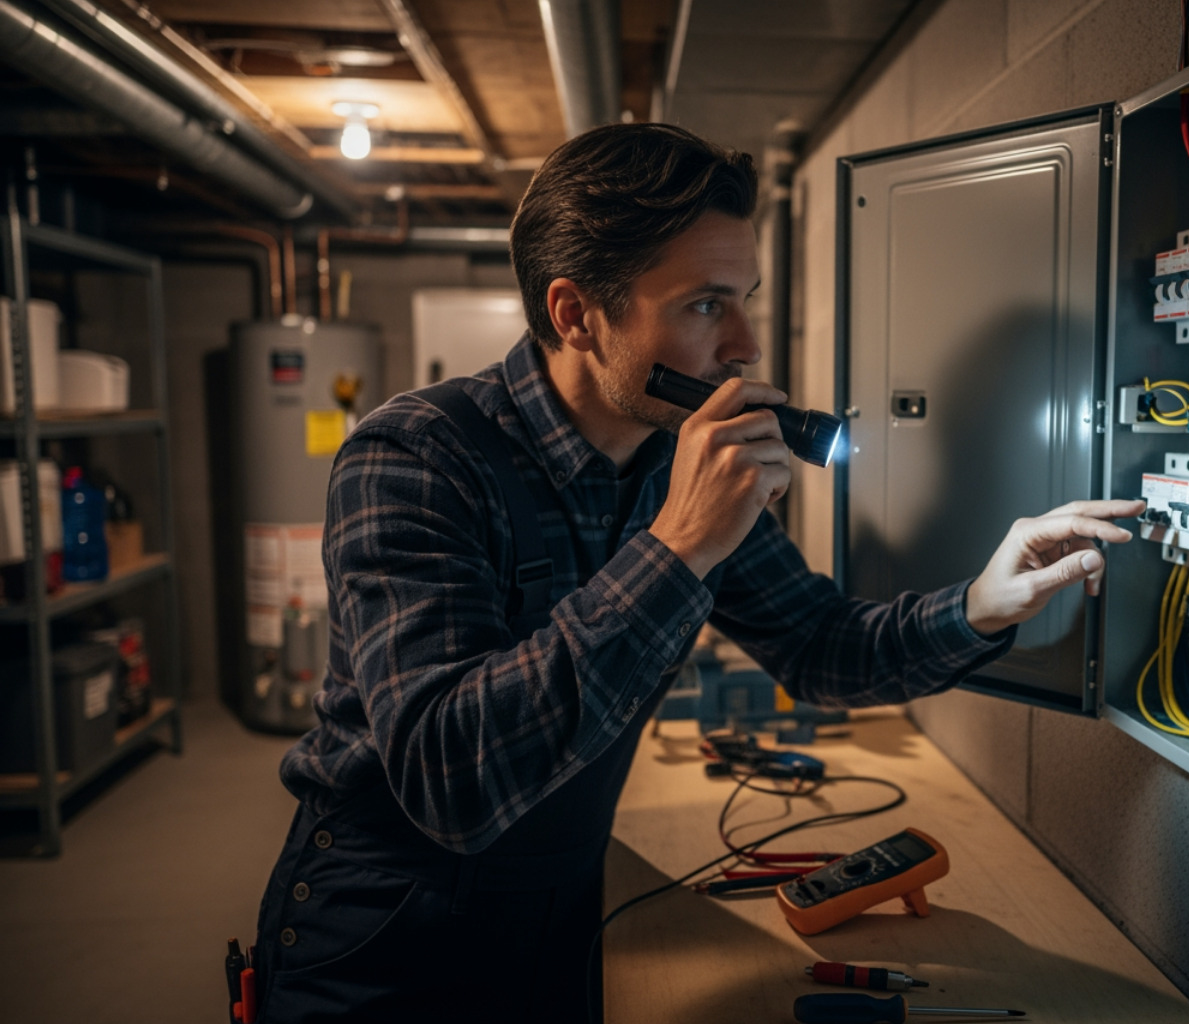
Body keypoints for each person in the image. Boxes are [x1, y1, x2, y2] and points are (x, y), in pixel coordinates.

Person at [250, 122, 1143, 1023]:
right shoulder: (415, 457)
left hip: (563, 909)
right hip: (384, 940)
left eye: (745, 298)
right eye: (707, 305)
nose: (748, 343)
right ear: (576, 315)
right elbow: (452, 781)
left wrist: (984, 604)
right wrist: (678, 547)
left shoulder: (678, 457)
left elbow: (821, 647)